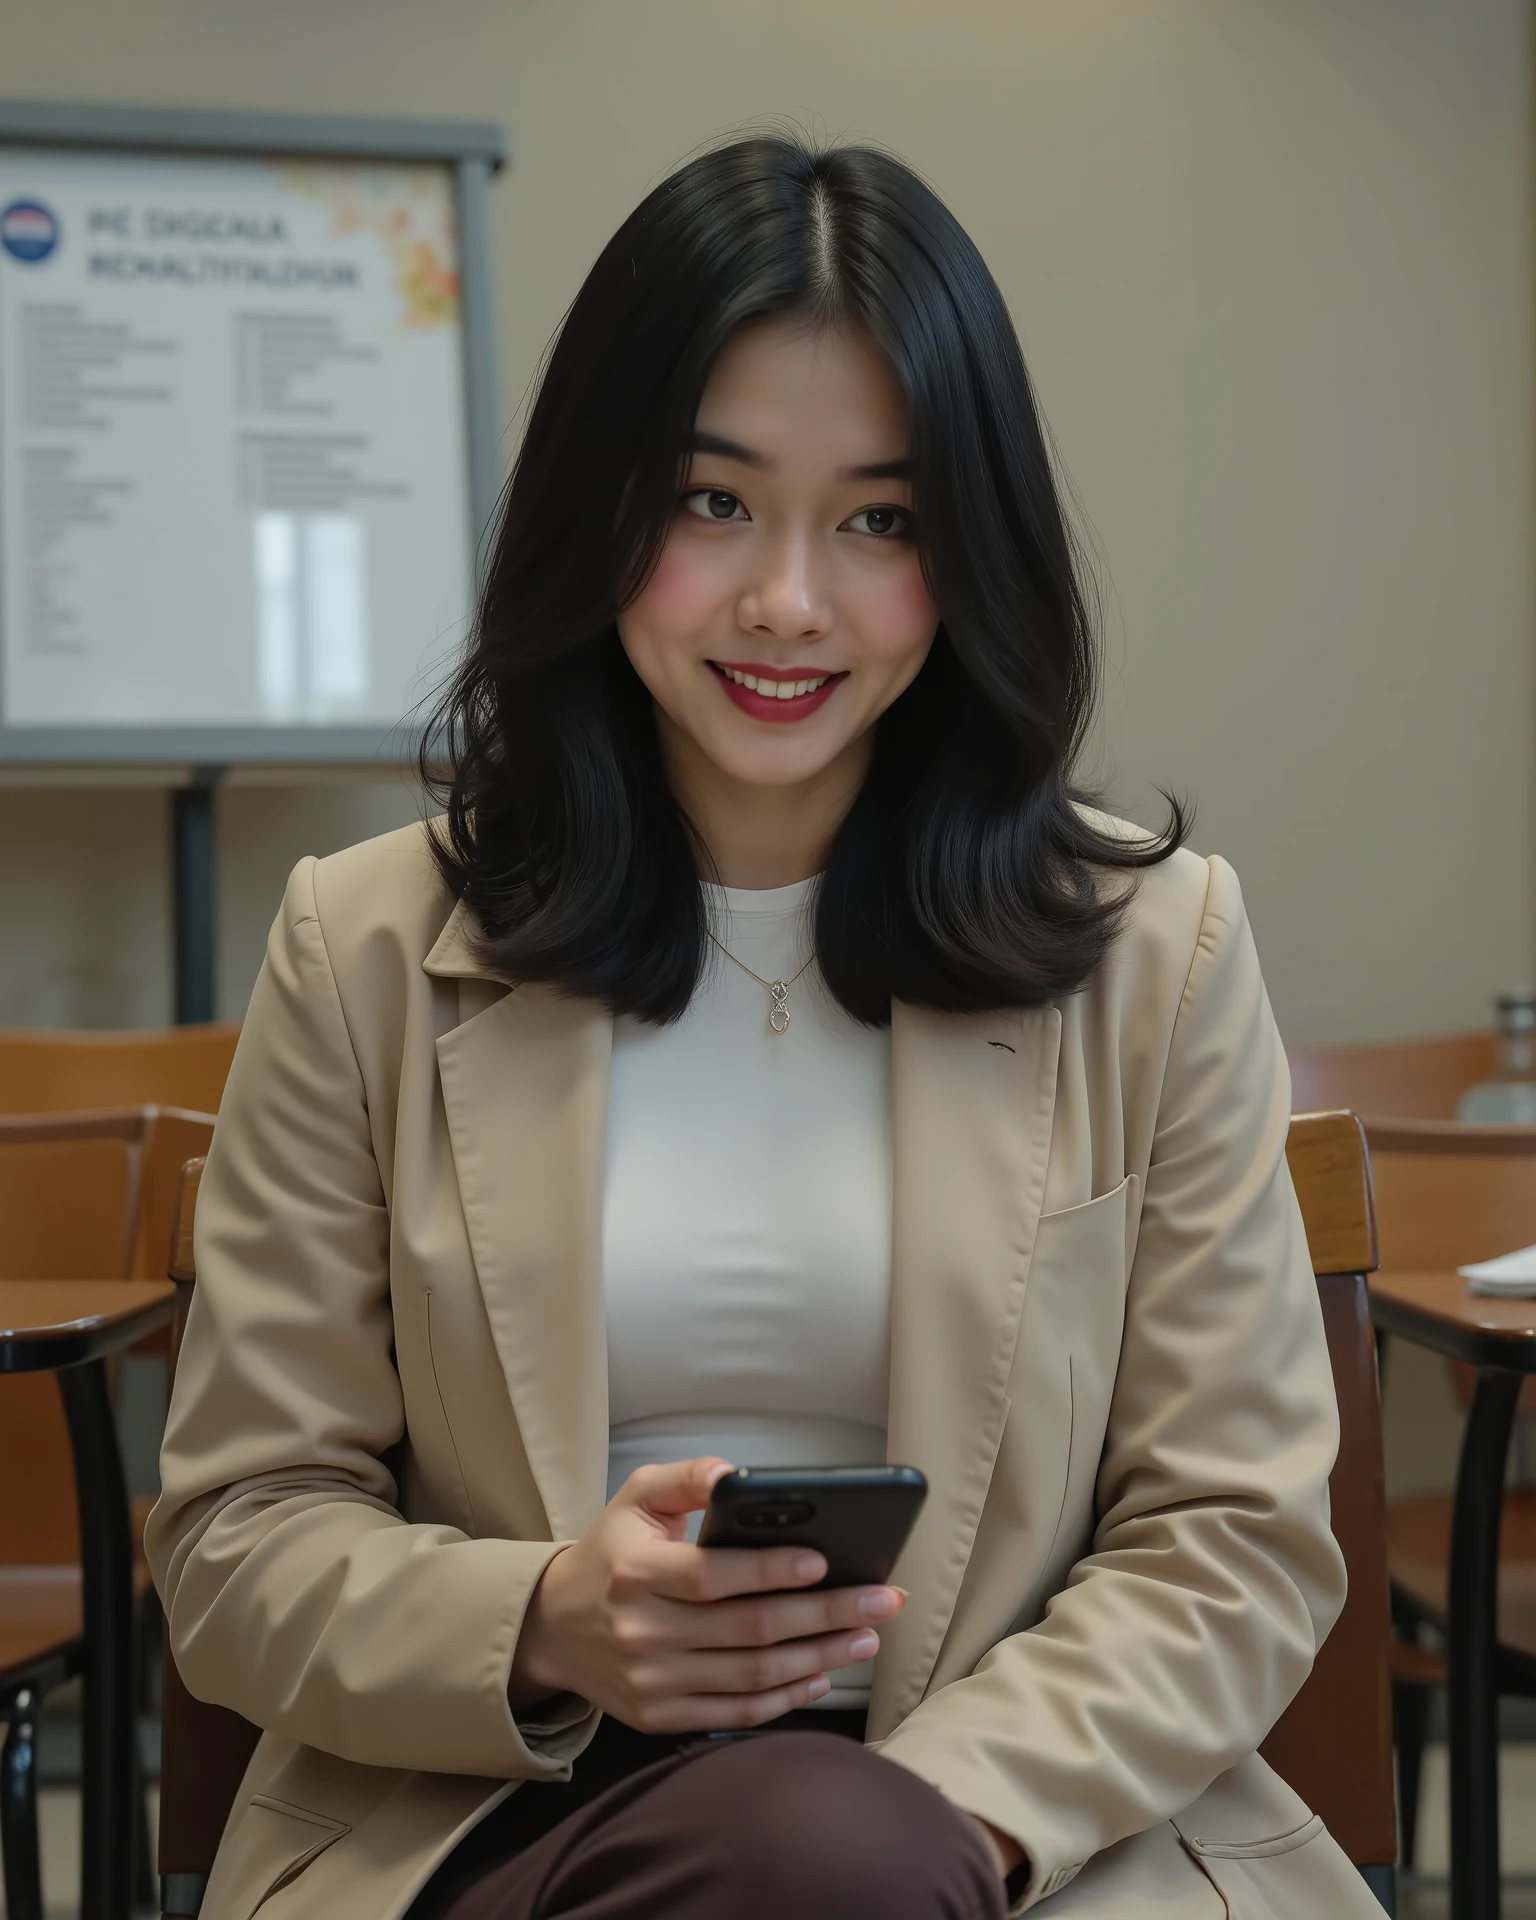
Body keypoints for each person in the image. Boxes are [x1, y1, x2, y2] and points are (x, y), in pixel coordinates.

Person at [147, 136, 1383, 1918]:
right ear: (600, 506)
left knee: (824, 1858)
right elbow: (235, 1536)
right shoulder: (363, 946)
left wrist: (930, 1821)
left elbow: (1234, 1543)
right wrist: (554, 1619)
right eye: (712, 501)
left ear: (969, 556)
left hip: (1006, 1814)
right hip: (506, 1805)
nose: (788, 600)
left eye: (881, 520)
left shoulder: (1152, 950)